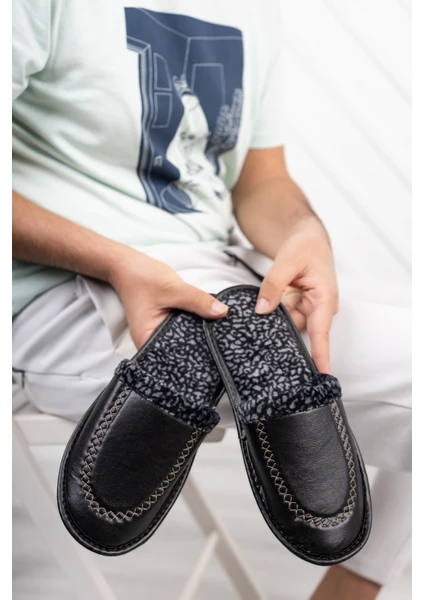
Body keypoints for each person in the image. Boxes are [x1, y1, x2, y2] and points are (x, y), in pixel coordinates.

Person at [12, 1, 411, 598]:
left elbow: (260, 181)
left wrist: (306, 237)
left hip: (220, 266)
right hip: (73, 283)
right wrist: (118, 262)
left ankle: (350, 589)